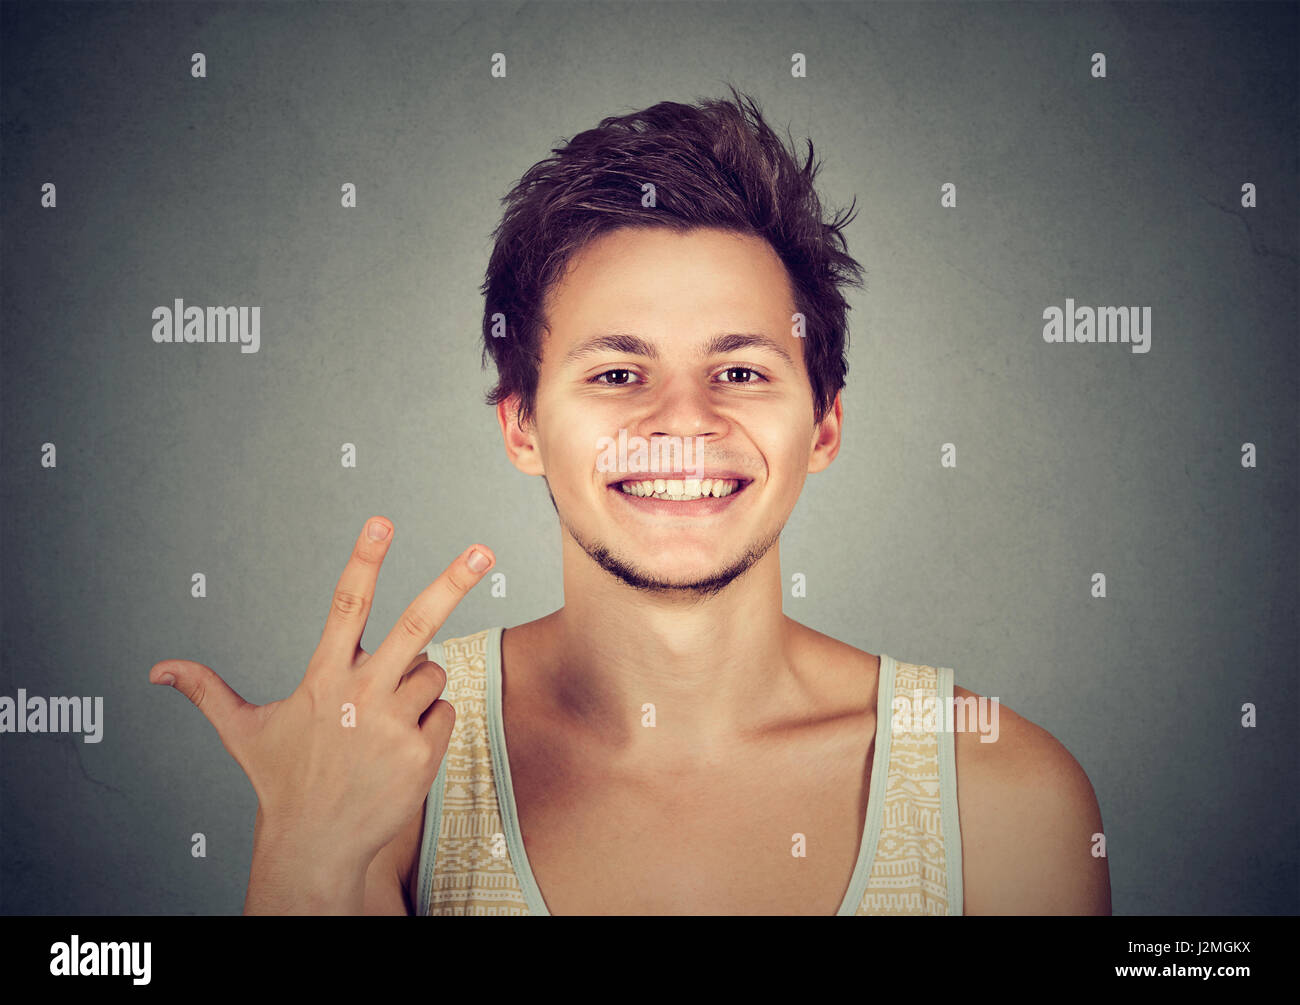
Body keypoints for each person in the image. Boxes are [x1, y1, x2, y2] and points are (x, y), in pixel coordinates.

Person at [152, 86, 1111, 915]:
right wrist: (301, 859)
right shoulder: (391, 760)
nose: (683, 423)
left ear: (823, 426)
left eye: (739, 369)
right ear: (521, 425)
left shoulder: (1001, 791)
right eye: (617, 373)